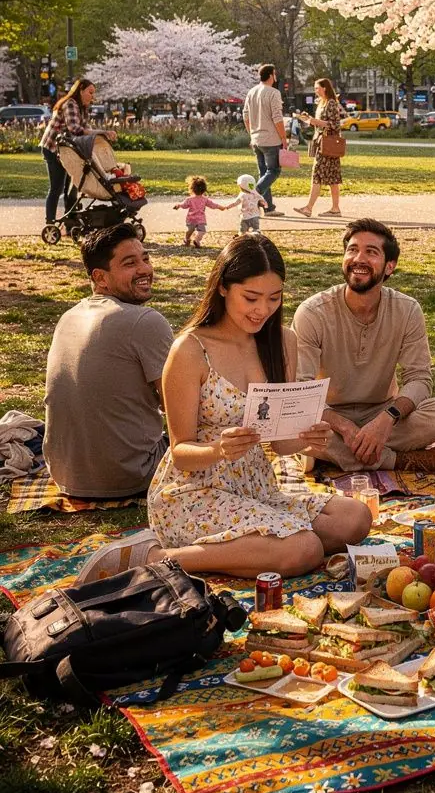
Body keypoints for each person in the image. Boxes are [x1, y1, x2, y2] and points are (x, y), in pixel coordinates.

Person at [75, 235, 371, 585]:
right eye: (251, 298)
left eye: (274, 298)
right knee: (303, 549)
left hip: (256, 487)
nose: (262, 310)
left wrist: (309, 438)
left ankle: (258, 546)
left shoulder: (283, 342)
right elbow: (181, 452)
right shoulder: (190, 350)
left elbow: (281, 446)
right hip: (193, 493)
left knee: (355, 518)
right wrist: (219, 449)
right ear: (223, 289)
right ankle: (156, 558)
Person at [292, 218, 435, 473]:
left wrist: (386, 420)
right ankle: (399, 461)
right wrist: (345, 428)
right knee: (295, 425)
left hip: (383, 412)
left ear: (389, 266)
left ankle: (335, 456)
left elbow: (419, 379)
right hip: (327, 415)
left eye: (371, 252)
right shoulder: (313, 312)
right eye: (352, 249)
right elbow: (301, 389)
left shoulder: (407, 310)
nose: (358, 258)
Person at [43, 225, 171, 498]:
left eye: (145, 259)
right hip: (131, 475)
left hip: (64, 473)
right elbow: (179, 404)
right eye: (130, 263)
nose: (145, 269)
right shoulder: (146, 321)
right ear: (100, 278)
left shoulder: (69, 315)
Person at [39, 78, 113, 226]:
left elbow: (87, 130)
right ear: (80, 90)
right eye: (90, 92)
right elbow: (76, 130)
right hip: (54, 148)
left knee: (73, 187)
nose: (92, 96)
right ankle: (50, 223)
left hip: (68, 149)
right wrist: (103, 132)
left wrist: (101, 135)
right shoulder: (70, 104)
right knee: (57, 188)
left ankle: (71, 222)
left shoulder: (83, 107)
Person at [293, 77, 344, 218]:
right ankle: (335, 208)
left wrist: (317, 122)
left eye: (317, 88)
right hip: (322, 143)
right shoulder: (323, 103)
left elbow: (335, 124)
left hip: (327, 144)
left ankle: (309, 208)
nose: (315, 90)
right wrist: (309, 119)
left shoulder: (331, 103)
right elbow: (322, 123)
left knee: (318, 175)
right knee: (332, 177)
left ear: (325, 88)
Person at [243, 64, 286, 215]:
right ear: (270, 75)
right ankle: (254, 194)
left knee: (263, 173)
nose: (276, 77)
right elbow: (277, 118)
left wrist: (251, 134)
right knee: (274, 171)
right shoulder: (274, 93)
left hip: (256, 139)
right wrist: (283, 138)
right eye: (275, 74)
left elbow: (246, 116)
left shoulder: (251, 92)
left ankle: (268, 208)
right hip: (271, 139)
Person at [173, 175, 228, 247]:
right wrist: (220, 207)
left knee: (195, 231)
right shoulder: (191, 199)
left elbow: (184, 205)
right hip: (192, 219)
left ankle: (196, 240)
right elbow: (213, 205)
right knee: (198, 231)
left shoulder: (204, 199)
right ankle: (188, 239)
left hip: (198, 219)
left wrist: (178, 205)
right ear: (204, 189)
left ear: (192, 189)